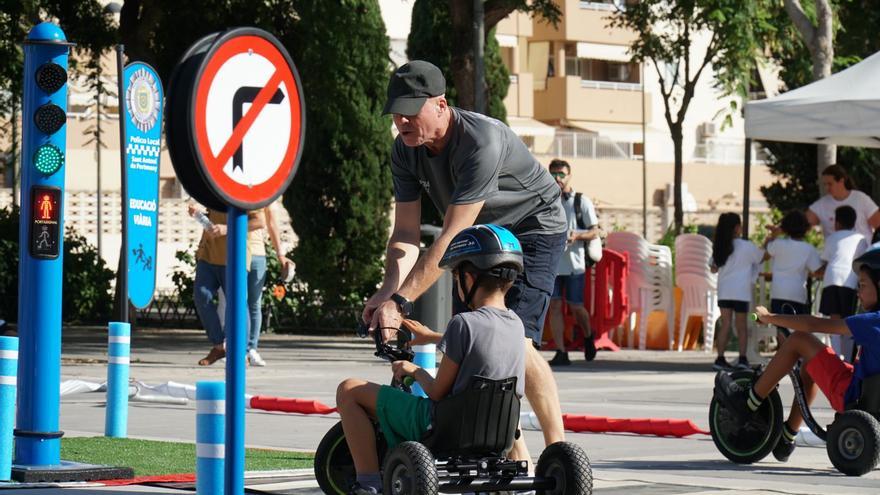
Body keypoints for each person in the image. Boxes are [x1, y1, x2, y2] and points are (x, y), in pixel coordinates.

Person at [363, 60, 568, 465]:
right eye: (396, 113)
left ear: (440, 104)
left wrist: (401, 304)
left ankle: (559, 453)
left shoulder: (480, 141)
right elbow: (405, 234)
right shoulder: (404, 151)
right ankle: (515, 462)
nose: (402, 120)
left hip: (533, 227)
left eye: (411, 109)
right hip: (481, 236)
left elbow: (451, 237)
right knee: (474, 345)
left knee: (515, 341)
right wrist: (386, 294)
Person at [338, 225, 527, 495]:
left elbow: (438, 392)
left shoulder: (462, 323)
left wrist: (413, 370)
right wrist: (433, 337)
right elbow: (483, 345)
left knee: (349, 390)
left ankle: (368, 483)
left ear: (469, 278)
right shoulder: (516, 325)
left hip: (444, 427)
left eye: (456, 276)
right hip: (499, 433)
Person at [714, 247, 880, 463]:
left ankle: (748, 402)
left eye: (863, 285)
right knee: (810, 367)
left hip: (853, 395)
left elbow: (815, 324)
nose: (858, 292)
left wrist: (771, 317)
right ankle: (787, 436)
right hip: (866, 390)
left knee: (799, 340)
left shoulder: (872, 321)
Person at [189, 204, 265, 366]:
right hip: (208, 253)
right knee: (201, 296)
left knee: (237, 305)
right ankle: (218, 346)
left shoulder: (241, 190)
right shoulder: (211, 190)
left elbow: (259, 221)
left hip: (235, 256)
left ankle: (241, 352)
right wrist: (199, 213)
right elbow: (213, 215)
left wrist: (227, 228)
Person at [546, 158, 603, 366]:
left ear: (569, 175)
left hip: (575, 264)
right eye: (553, 174)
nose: (557, 178)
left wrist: (576, 236)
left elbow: (596, 230)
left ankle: (588, 336)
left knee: (576, 307)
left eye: (561, 174)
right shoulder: (546, 199)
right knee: (554, 306)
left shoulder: (581, 201)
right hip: (553, 264)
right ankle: (561, 351)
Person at [712, 212, 764, 371]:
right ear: (737, 228)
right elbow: (760, 258)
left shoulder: (720, 246)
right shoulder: (746, 246)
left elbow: (713, 268)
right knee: (741, 325)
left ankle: (720, 358)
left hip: (724, 291)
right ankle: (742, 359)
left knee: (725, 323)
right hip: (741, 292)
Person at [245, 202, 293, 367]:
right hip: (233, 251)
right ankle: (239, 349)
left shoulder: (266, 195)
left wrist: (281, 255)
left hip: (257, 253)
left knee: (254, 304)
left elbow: (271, 223)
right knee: (239, 303)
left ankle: (251, 348)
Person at [820, 205, 868, 361]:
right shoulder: (860, 239)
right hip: (850, 280)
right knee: (848, 320)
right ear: (854, 222)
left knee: (834, 319)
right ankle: (847, 358)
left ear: (837, 223)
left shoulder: (832, 238)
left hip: (831, 278)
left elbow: (826, 260)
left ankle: (836, 355)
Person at [763, 210, 823, 336]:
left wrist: (775, 234)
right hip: (797, 294)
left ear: (785, 227)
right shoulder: (808, 249)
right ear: (805, 228)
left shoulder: (777, 244)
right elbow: (817, 271)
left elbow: (766, 253)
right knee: (797, 329)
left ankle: (782, 352)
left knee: (780, 327)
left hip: (778, 292)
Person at [807, 165, 880, 242]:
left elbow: (878, 225)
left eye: (830, 184)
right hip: (836, 252)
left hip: (862, 251)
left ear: (841, 181)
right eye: (825, 184)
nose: (826, 188)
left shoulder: (861, 199)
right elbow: (803, 226)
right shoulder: (821, 205)